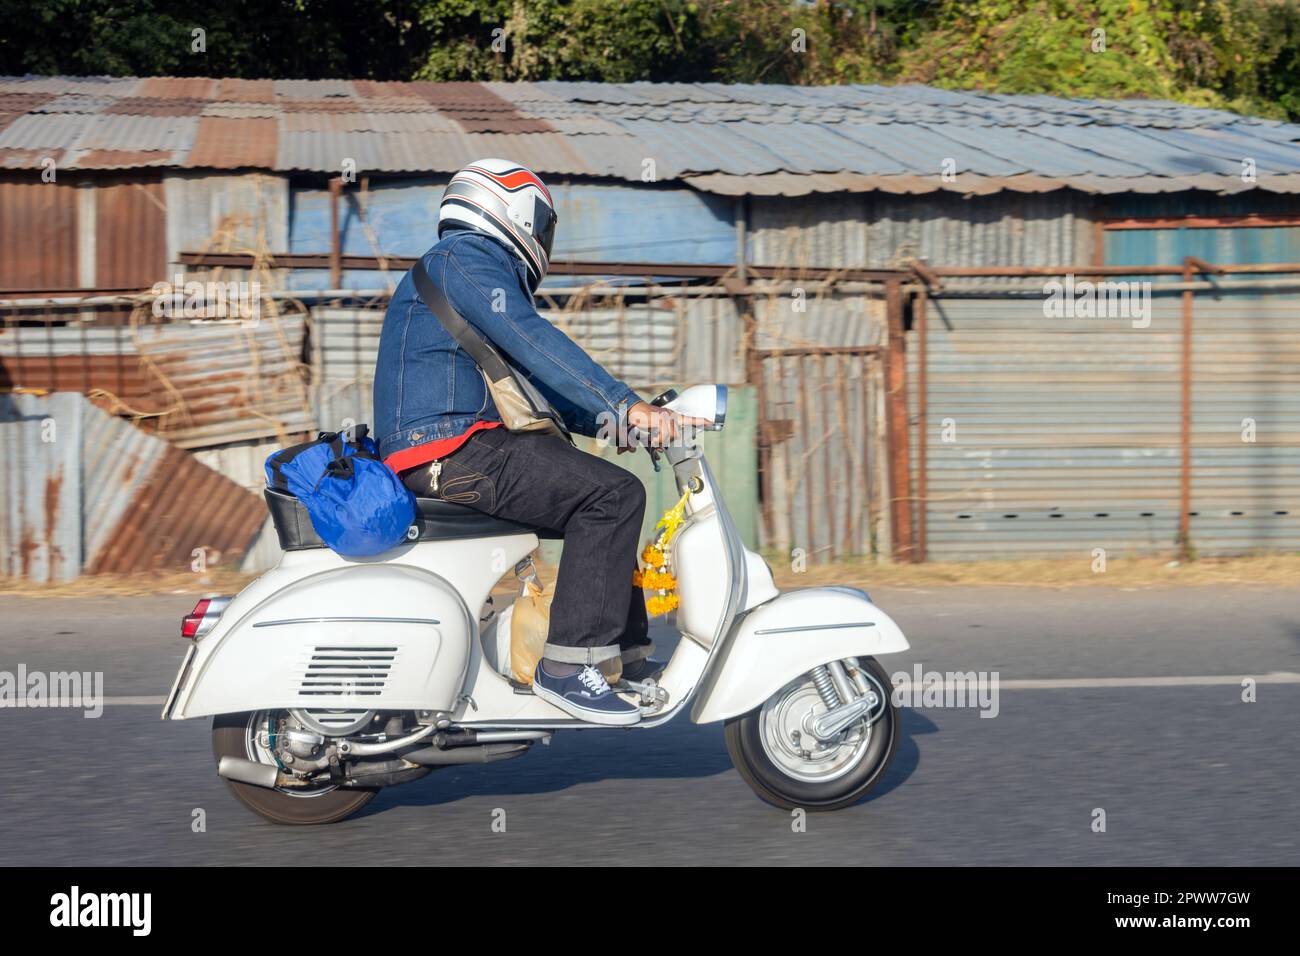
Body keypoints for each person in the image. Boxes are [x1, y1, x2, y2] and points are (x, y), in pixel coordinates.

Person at [373, 158, 689, 726]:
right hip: (452, 449)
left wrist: (617, 422)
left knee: (604, 491)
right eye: (542, 223)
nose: (543, 239)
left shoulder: (459, 270)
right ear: (511, 210)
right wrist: (623, 403)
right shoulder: (462, 259)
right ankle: (569, 669)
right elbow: (537, 342)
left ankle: (618, 655)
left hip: (449, 447)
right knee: (612, 497)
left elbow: (538, 381)